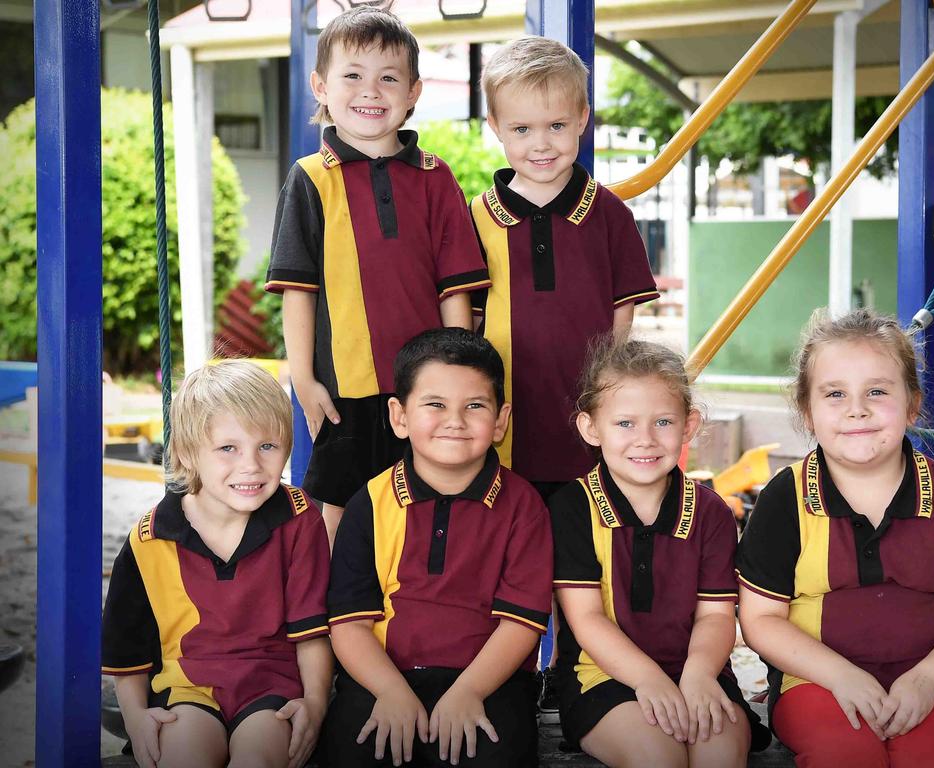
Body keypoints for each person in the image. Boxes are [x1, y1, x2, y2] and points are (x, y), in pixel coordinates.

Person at [475, 36, 659, 719]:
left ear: (583, 118)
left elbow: (622, 315)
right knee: (512, 554)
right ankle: (514, 670)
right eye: (521, 128)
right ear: (495, 129)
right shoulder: (477, 218)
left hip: (582, 426)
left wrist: (606, 404)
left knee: (585, 554)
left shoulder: (609, 213)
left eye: (556, 125)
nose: (541, 143)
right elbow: (465, 321)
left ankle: (574, 670)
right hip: (509, 428)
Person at [737, 308, 934, 768]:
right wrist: (841, 676)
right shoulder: (786, 497)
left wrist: (925, 681)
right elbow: (761, 619)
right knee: (844, 755)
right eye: (835, 394)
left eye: (877, 391)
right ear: (807, 410)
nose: (856, 408)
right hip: (818, 684)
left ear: (913, 403)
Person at [265, 6, 490, 545]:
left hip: (425, 389)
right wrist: (303, 378)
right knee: (343, 510)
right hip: (349, 387)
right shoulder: (310, 178)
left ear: (413, 92)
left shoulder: (436, 178)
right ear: (321, 86)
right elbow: (298, 288)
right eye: (353, 76)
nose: (372, 91)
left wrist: (455, 371)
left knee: (428, 506)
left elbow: (454, 285)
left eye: (389, 78)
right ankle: (346, 618)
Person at [319, 328, 554, 767]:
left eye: (475, 406)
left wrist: (468, 692)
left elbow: (522, 624)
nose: (455, 420)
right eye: (435, 405)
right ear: (399, 415)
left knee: (495, 757)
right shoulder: (369, 502)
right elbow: (348, 622)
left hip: (489, 682)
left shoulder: (525, 508)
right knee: (353, 753)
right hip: (384, 677)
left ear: (500, 420)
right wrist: (390, 691)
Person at [101, 360, 333, 768]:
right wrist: (136, 717)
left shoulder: (300, 519)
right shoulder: (151, 537)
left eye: (268, 446)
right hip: (188, 685)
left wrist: (314, 703)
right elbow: (127, 646)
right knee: (183, 756)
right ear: (187, 453)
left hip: (272, 684)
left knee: (257, 758)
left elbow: (312, 631)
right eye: (228, 448)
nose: (251, 465)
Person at [549, 338, 766, 768]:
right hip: (602, 677)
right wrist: (650, 681)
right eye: (625, 424)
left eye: (663, 421)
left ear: (689, 426)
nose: (645, 440)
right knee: (658, 756)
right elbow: (586, 618)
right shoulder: (573, 507)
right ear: (591, 428)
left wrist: (700, 676)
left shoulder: (712, 513)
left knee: (719, 754)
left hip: (699, 671)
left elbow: (716, 617)